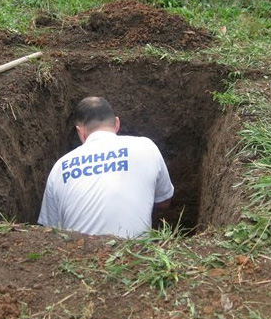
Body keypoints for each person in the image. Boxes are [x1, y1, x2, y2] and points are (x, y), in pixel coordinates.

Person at [38, 96, 174, 239]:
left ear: (80, 131)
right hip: (137, 257)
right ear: (117, 123)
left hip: (79, 259)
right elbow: (164, 201)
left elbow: (50, 233)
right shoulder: (146, 146)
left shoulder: (60, 167)